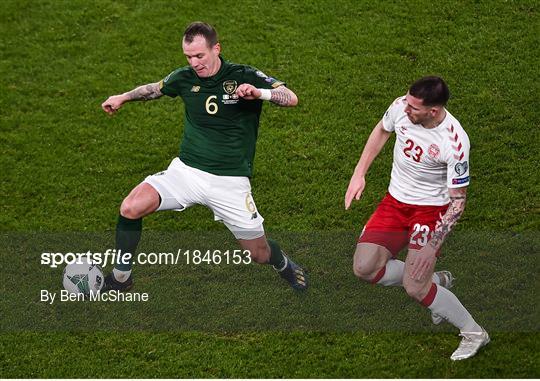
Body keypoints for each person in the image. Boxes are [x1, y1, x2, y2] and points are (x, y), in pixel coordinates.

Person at [100, 22, 308, 292]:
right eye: (188, 57)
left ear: (216, 49)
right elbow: (154, 89)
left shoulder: (243, 75)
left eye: (199, 56)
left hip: (230, 182)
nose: (194, 63)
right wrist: (123, 97)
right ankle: (121, 278)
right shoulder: (185, 78)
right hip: (186, 172)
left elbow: (291, 98)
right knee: (130, 207)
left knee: (259, 254)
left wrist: (259, 93)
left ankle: (282, 263)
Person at [344, 76, 489, 360]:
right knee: (364, 268)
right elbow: (382, 131)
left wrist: (433, 246)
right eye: (407, 103)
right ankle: (435, 280)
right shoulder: (401, 107)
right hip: (394, 203)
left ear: (433, 111)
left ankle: (474, 332)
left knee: (415, 287)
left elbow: (458, 203)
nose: (405, 109)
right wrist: (359, 173)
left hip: (430, 211)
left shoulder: (455, 143)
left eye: (413, 107)